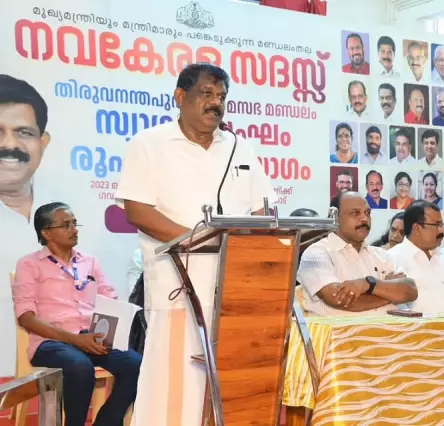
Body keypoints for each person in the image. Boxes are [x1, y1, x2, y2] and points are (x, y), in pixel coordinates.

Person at [115, 63, 275, 426]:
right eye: (206, 93)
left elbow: (261, 211)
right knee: (176, 388)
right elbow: (138, 211)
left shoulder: (239, 148)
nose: (215, 103)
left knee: (233, 387)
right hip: (177, 286)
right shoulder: (149, 144)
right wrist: (197, 239)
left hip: (236, 290)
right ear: (180, 96)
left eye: (221, 96)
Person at [12, 202, 141, 426]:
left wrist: (113, 328)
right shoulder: (29, 264)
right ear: (46, 233)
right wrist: (75, 339)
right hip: (51, 341)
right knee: (79, 366)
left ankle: (107, 422)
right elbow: (26, 317)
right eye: (66, 225)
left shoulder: (90, 262)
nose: (74, 229)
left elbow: (109, 299)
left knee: (136, 364)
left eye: (74, 223)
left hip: (90, 338)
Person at [0, 75, 54, 376]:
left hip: (56, 361)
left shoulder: (67, 208)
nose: (9, 144)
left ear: (42, 142)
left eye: (23, 132)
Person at [297, 192, 417, 316]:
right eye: (355, 213)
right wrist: (391, 294)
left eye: (367, 213)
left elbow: (410, 290)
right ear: (336, 218)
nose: (364, 219)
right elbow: (340, 299)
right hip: (343, 329)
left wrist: (368, 284)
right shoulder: (316, 254)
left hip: (392, 328)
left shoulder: (381, 255)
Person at [388, 201, 444, 313]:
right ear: (417, 228)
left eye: (442, 225)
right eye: (437, 225)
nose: (442, 230)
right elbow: (395, 311)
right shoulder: (392, 260)